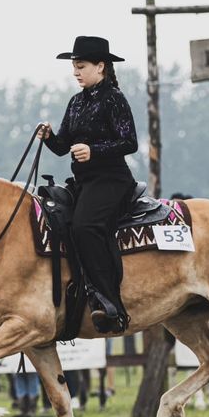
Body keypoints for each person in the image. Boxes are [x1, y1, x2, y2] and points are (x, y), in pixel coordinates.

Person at [37, 36, 138, 334]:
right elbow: (62, 147)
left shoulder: (114, 98)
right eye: (74, 66)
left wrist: (95, 151)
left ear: (100, 66)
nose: (75, 72)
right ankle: (79, 294)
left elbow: (129, 141)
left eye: (80, 66)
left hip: (112, 180)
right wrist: (49, 138)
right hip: (85, 182)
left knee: (85, 227)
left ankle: (111, 304)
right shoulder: (77, 101)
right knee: (61, 225)